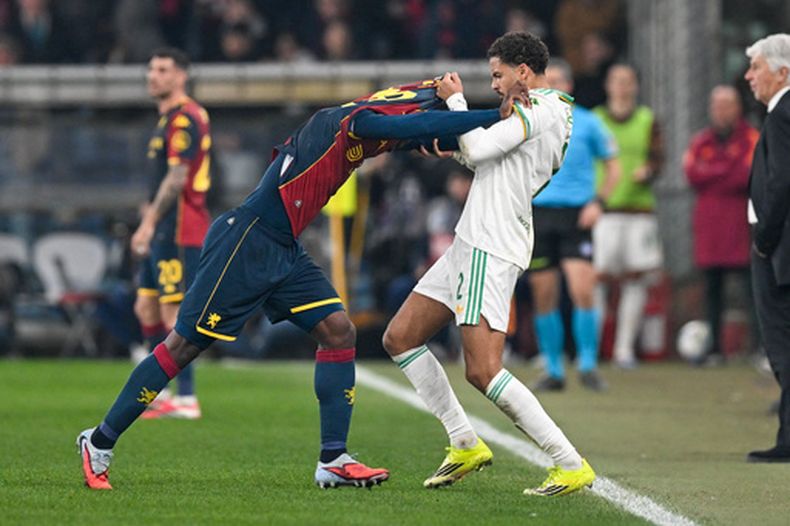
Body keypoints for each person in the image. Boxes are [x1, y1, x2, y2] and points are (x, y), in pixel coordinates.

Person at [76, 74, 525, 490]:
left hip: (284, 249)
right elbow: (415, 126)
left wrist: (470, 123)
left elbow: (422, 132)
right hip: (246, 241)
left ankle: (333, 459)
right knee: (184, 345)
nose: (398, 134)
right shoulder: (353, 122)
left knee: (338, 330)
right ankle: (99, 442)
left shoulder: (359, 129)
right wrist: (489, 112)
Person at [383, 31, 596, 496]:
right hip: (473, 239)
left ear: (524, 70)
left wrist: (457, 103)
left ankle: (568, 462)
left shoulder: (541, 109)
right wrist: (449, 146)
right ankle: (464, 441)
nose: (495, 85)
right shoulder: (541, 112)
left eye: (498, 75)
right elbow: (488, 159)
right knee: (400, 337)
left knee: (482, 369)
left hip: (489, 243)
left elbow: (481, 151)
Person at [529, 58, 620, 392]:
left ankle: (587, 364)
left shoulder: (589, 122)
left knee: (583, 290)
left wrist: (599, 202)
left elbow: (613, 168)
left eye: (556, 80)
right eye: (545, 81)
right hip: (539, 213)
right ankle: (553, 369)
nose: (550, 86)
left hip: (576, 214)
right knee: (543, 293)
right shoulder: (530, 121)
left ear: (568, 85)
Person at [130, 48, 210, 420]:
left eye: (162, 69)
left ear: (181, 75)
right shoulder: (167, 120)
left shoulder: (184, 119)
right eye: (150, 68)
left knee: (173, 310)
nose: (153, 76)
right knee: (145, 305)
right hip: (162, 227)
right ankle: (158, 390)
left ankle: (187, 396)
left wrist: (148, 223)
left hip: (180, 229)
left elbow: (177, 179)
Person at [592, 63, 664, 369]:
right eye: (617, 81)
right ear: (608, 85)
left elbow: (659, 157)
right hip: (604, 210)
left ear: (635, 86)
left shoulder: (648, 120)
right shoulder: (595, 119)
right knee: (597, 278)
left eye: (628, 82)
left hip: (638, 210)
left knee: (636, 278)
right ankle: (590, 349)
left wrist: (649, 170)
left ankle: (624, 350)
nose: (622, 87)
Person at [683, 85, 759, 366]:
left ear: (738, 107)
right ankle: (714, 349)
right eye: (717, 104)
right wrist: (725, 168)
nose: (721, 110)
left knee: (751, 288)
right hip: (709, 224)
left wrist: (714, 171)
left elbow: (746, 175)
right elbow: (692, 173)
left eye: (727, 104)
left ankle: (759, 347)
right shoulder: (701, 141)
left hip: (739, 222)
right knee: (712, 289)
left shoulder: (751, 138)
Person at [743, 33, 790, 463]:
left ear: (783, 72)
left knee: (781, 342)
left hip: (780, 251)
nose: (749, 76)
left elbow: (780, 184)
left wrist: (765, 239)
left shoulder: (782, 115)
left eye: (756, 67)